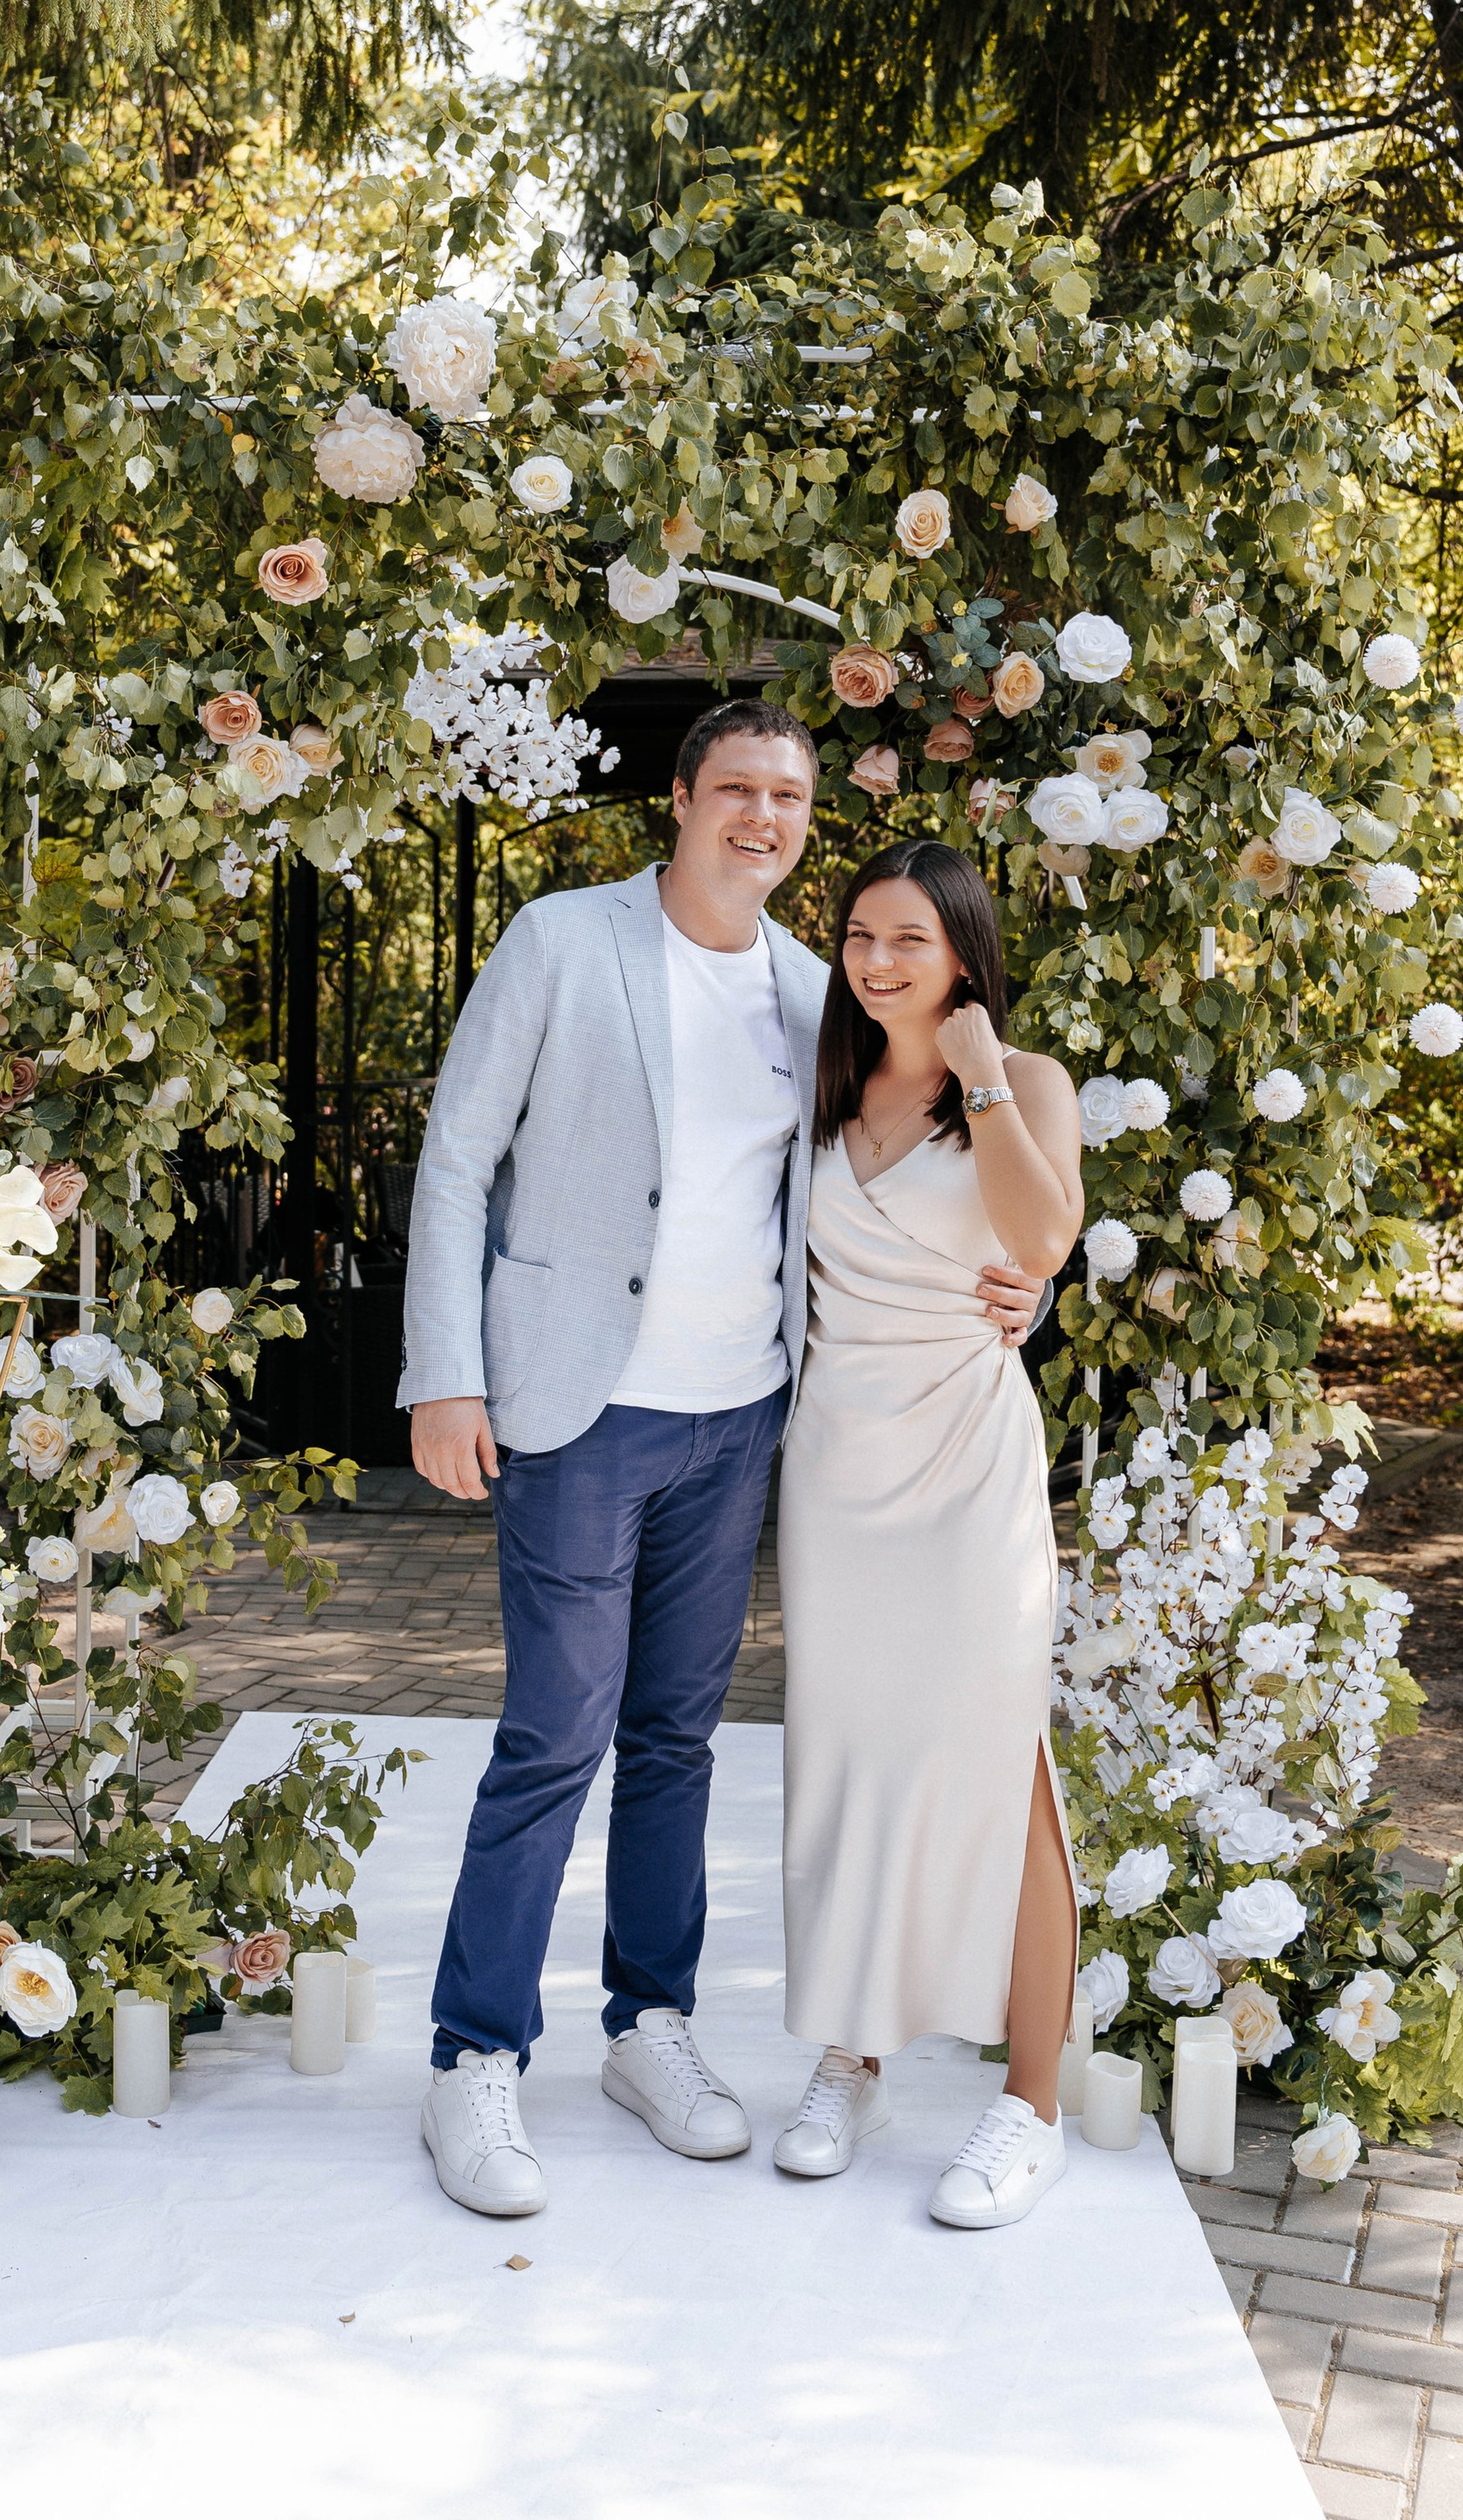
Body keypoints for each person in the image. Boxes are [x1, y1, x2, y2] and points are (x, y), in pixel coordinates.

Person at [399, 705, 1045, 2220]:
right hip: (574, 1409)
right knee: (557, 1732)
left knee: (678, 1740)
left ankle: (649, 2023)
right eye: (738, 789)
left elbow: (931, 1172)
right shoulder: (563, 943)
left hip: (745, 1414)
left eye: (790, 796)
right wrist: (444, 1373)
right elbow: (454, 1158)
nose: (763, 815)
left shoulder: (821, 994)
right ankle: (473, 2055)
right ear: (683, 799)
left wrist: (1029, 1284)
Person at [773, 836, 1085, 2228]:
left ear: (964, 953)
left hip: (969, 1478)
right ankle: (859, 2050)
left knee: (999, 1771)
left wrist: (985, 1077)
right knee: (853, 1770)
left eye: (909, 938)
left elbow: (1042, 1240)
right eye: (858, 936)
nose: (878, 961)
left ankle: (1031, 2105)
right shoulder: (823, 1083)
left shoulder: (1027, 1087)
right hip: (838, 1477)